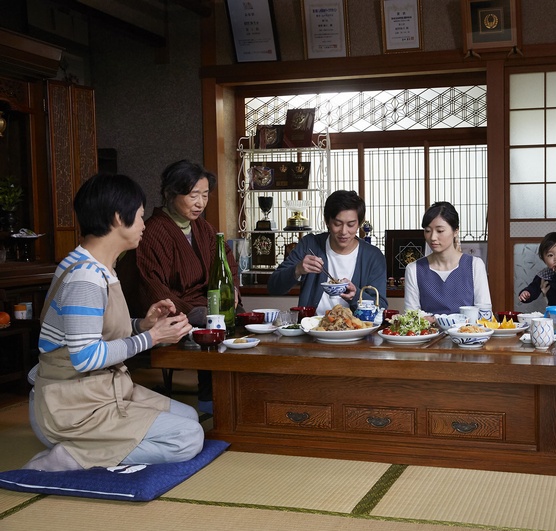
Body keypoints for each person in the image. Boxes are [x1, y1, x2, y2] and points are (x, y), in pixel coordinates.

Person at [24, 173, 203, 472]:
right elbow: (86, 357)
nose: (144, 225)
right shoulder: (86, 277)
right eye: (141, 216)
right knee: (188, 438)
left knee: (189, 417)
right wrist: (152, 338)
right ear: (120, 218)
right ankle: (72, 457)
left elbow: (94, 330)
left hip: (102, 391)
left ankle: (88, 449)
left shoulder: (97, 266)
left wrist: (142, 325)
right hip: (72, 407)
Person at [117, 160, 239, 415]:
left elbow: (226, 262)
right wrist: (192, 311)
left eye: (205, 195)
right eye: (193, 195)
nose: (200, 203)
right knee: (212, 323)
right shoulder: (153, 232)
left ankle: (233, 394)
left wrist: (233, 290)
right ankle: (209, 399)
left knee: (237, 318)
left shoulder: (203, 228)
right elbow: (151, 285)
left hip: (206, 303)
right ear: (171, 193)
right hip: (176, 309)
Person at [268, 190, 387, 313]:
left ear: (359, 224)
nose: (343, 231)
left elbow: (381, 307)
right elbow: (273, 287)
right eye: (337, 224)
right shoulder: (310, 245)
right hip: (311, 324)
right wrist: (298, 269)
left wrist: (356, 296)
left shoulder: (373, 256)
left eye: (351, 225)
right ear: (327, 221)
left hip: (354, 325)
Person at [404, 201, 491, 315]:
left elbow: (484, 313)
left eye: (440, 231)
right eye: (427, 231)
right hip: (429, 327)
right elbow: (411, 316)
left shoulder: (474, 265)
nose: (433, 237)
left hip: (468, 327)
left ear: (455, 231)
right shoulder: (414, 269)